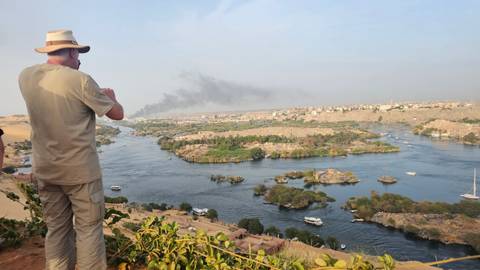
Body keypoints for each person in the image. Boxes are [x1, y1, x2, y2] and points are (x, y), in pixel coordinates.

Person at [18, 30, 124, 270]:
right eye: (79, 55)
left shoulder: (25, 76)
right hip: (80, 173)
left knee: (57, 228)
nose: (79, 61)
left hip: (45, 170)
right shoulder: (81, 80)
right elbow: (117, 114)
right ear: (73, 51)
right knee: (88, 230)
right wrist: (112, 97)